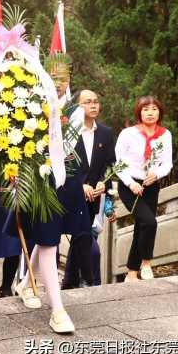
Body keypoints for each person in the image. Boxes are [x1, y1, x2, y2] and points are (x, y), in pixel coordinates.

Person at [14, 55, 82, 334]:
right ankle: (57, 309)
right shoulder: (27, 105)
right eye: (54, 78)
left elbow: (70, 146)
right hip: (39, 178)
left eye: (64, 79)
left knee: (50, 237)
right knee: (48, 240)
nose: (59, 84)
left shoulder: (73, 109)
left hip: (65, 178)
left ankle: (26, 282)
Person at [62, 90, 116, 289]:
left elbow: (110, 163)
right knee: (87, 243)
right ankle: (91, 282)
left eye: (96, 102)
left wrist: (104, 181)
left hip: (94, 198)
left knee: (80, 239)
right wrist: (79, 185)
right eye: (87, 102)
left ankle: (69, 283)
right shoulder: (67, 132)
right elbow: (62, 164)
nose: (93, 105)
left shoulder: (105, 133)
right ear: (77, 106)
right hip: (72, 196)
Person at [115, 96, 172, 282]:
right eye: (146, 109)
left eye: (154, 109)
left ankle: (131, 273)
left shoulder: (165, 135)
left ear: (159, 112)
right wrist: (131, 183)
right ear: (139, 112)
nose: (150, 112)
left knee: (141, 227)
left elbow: (167, 164)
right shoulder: (128, 134)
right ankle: (146, 263)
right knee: (149, 222)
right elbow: (118, 163)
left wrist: (157, 174)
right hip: (129, 186)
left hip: (150, 186)